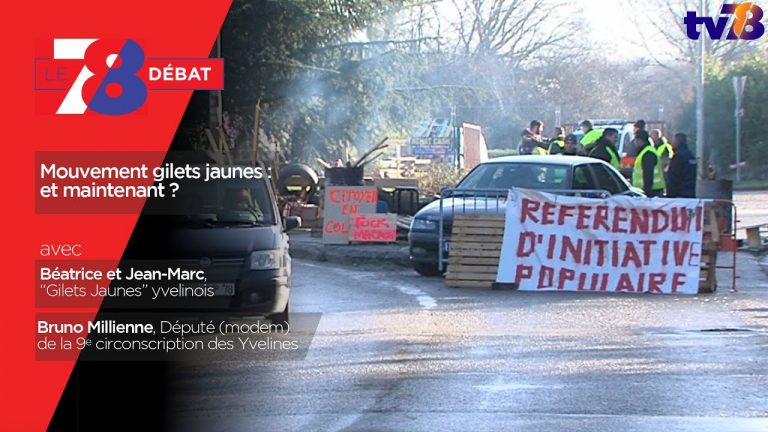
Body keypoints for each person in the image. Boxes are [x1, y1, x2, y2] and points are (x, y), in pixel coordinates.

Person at [632, 130, 665, 197]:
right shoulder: (646, 151)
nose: (635, 143)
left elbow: (648, 174)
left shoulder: (648, 153)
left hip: (652, 191)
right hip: (651, 190)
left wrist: (646, 194)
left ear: (639, 140)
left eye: (635, 140)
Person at [666, 133, 697, 198]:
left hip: (679, 194)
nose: (672, 143)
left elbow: (673, 177)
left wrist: (670, 194)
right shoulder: (691, 155)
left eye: (674, 141)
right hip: (690, 192)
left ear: (677, 142)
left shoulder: (678, 156)